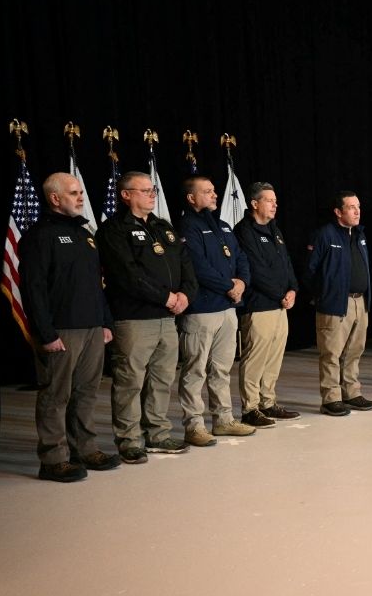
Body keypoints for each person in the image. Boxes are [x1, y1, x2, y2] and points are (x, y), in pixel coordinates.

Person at [19, 172, 118, 482]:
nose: (81, 197)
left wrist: (104, 322)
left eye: (80, 192)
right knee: (55, 395)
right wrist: (45, 334)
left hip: (91, 327)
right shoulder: (40, 235)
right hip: (61, 330)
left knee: (86, 392)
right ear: (55, 198)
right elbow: (33, 288)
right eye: (74, 193)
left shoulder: (84, 233)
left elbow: (96, 284)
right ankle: (53, 459)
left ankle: (85, 449)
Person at [99, 171, 197, 463]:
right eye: (144, 190)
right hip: (134, 318)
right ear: (126, 194)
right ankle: (129, 440)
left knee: (162, 379)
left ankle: (157, 433)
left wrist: (186, 295)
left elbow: (185, 264)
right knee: (130, 381)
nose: (152, 194)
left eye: (152, 189)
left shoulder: (162, 226)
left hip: (168, 318)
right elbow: (126, 274)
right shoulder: (114, 230)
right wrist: (165, 297)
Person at [176, 176, 257, 445]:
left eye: (214, 191)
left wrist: (242, 282)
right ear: (191, 198)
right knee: (195, 370)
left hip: (228, 308)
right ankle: (194, 426)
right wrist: (228, 286)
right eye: (207, 192)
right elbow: (197, 267)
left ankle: (223, 420)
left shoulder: (222, 226)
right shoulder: (187, 226)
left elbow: (241, 257)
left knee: (221, 369)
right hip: (201, 310)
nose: (214, 195)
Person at [233, 182, 301, 425]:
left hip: (280, 305)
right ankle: (250, 409)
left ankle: (268, 402)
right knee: (255, 358)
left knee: (274, 357)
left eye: (275, 200)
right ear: (254, 204)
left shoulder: (275, 229)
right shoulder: (244, 231)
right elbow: (255, 269)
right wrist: (279, 293)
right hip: (260, 304)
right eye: (269, 200)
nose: (275, 205)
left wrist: (293, 289)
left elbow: (287, 264)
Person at [307, 191, 372, 415]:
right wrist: (323, 295)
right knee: (331, 353)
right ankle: (330, 398)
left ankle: (352, 393)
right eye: (351, 207)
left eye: (358, 206)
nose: (357, 211)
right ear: (338, 212)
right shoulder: (325, 235)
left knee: (354, 351)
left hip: (359, 302)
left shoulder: (359, 234)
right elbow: (310, 271)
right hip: (335, 304)